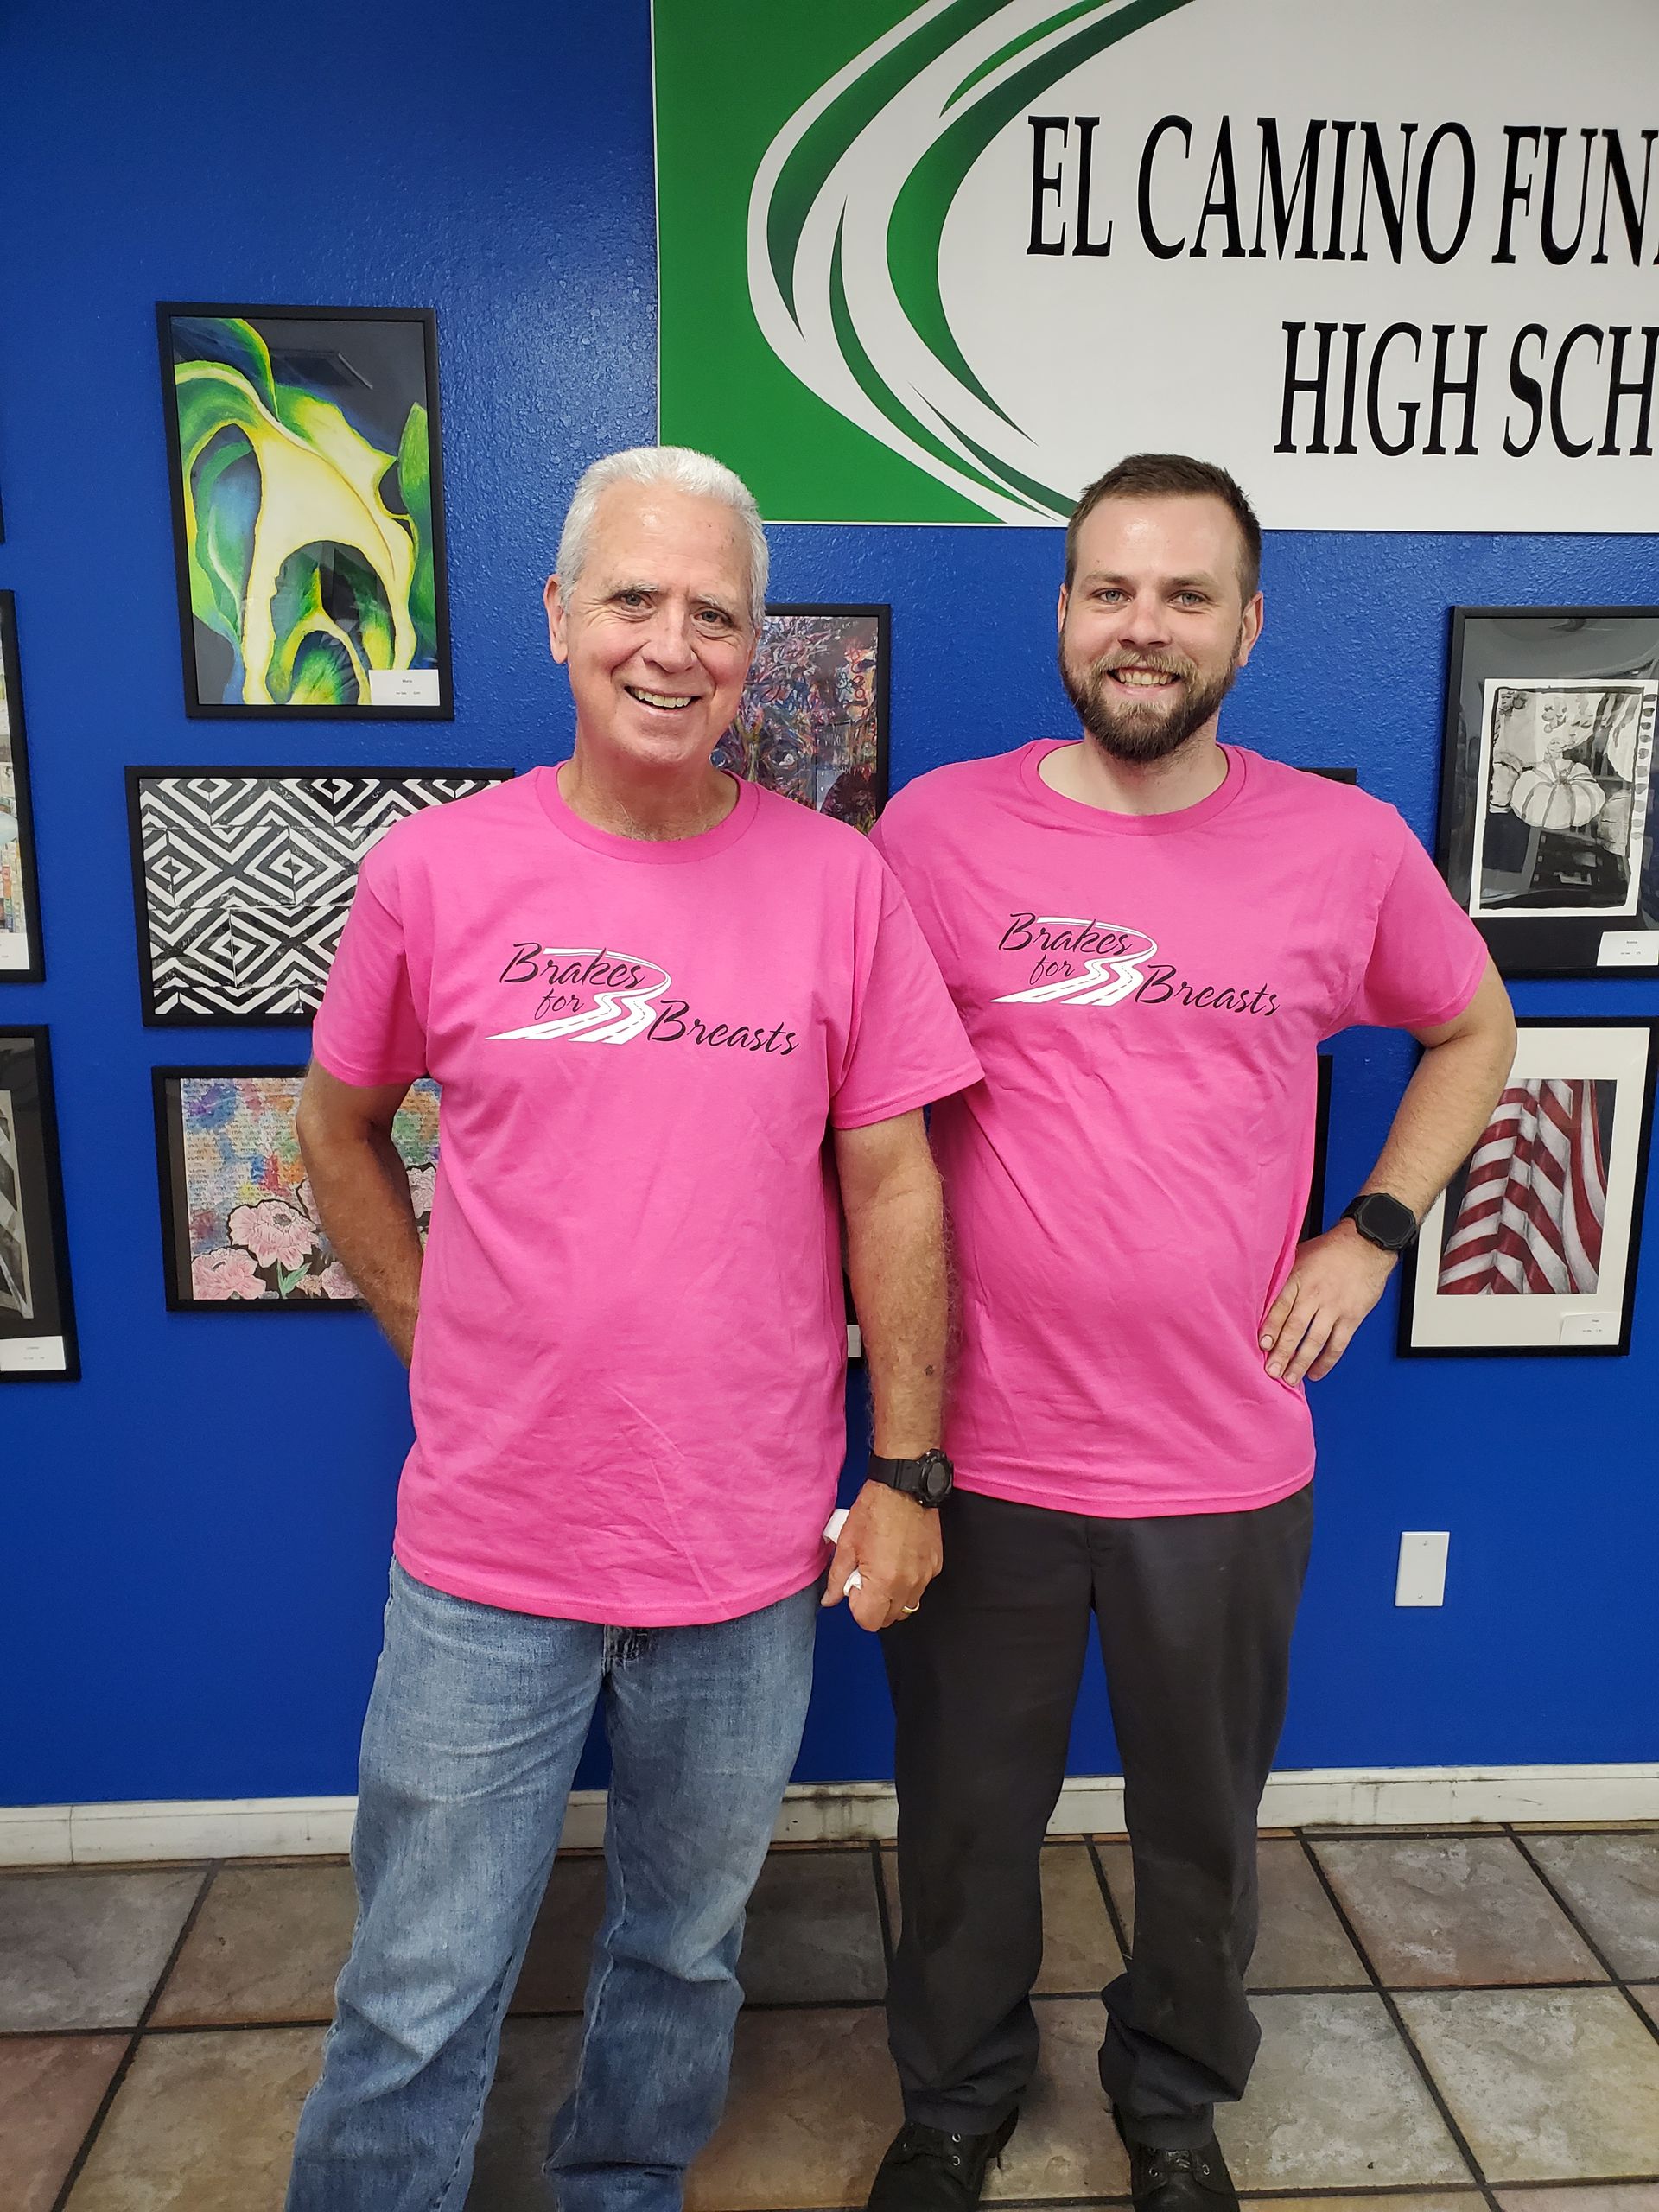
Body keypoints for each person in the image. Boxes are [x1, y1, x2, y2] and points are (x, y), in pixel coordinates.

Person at [284, 445, 982, 2212]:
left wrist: (906, 1468)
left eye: (716, 614)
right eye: (634, 600)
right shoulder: (436, 875)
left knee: (683, 1948)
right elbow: (335, 1125)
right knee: (418, 1981)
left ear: (756, 647)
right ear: (558, 616)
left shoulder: (837, 885)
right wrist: (439, 1340)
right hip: (490, 1544)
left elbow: (896, 1185)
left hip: (741, 1547)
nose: (673, 645)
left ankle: (622, 2184)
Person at [865, 454, 1516, 2212]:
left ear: (1247, 625)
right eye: (1110, 590)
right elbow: (862, 1110)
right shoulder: (934, 834)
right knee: (965, 1820)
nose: (1141, 627)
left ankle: (1171, 2104)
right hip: (981, 1452)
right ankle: (955, 2098)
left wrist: (1373, 1231)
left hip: (1222, 1454)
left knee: (1200, 1832)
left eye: (1184, 594)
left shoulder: (1342, 847)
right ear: (1064, 611)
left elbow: (1474, 1027)